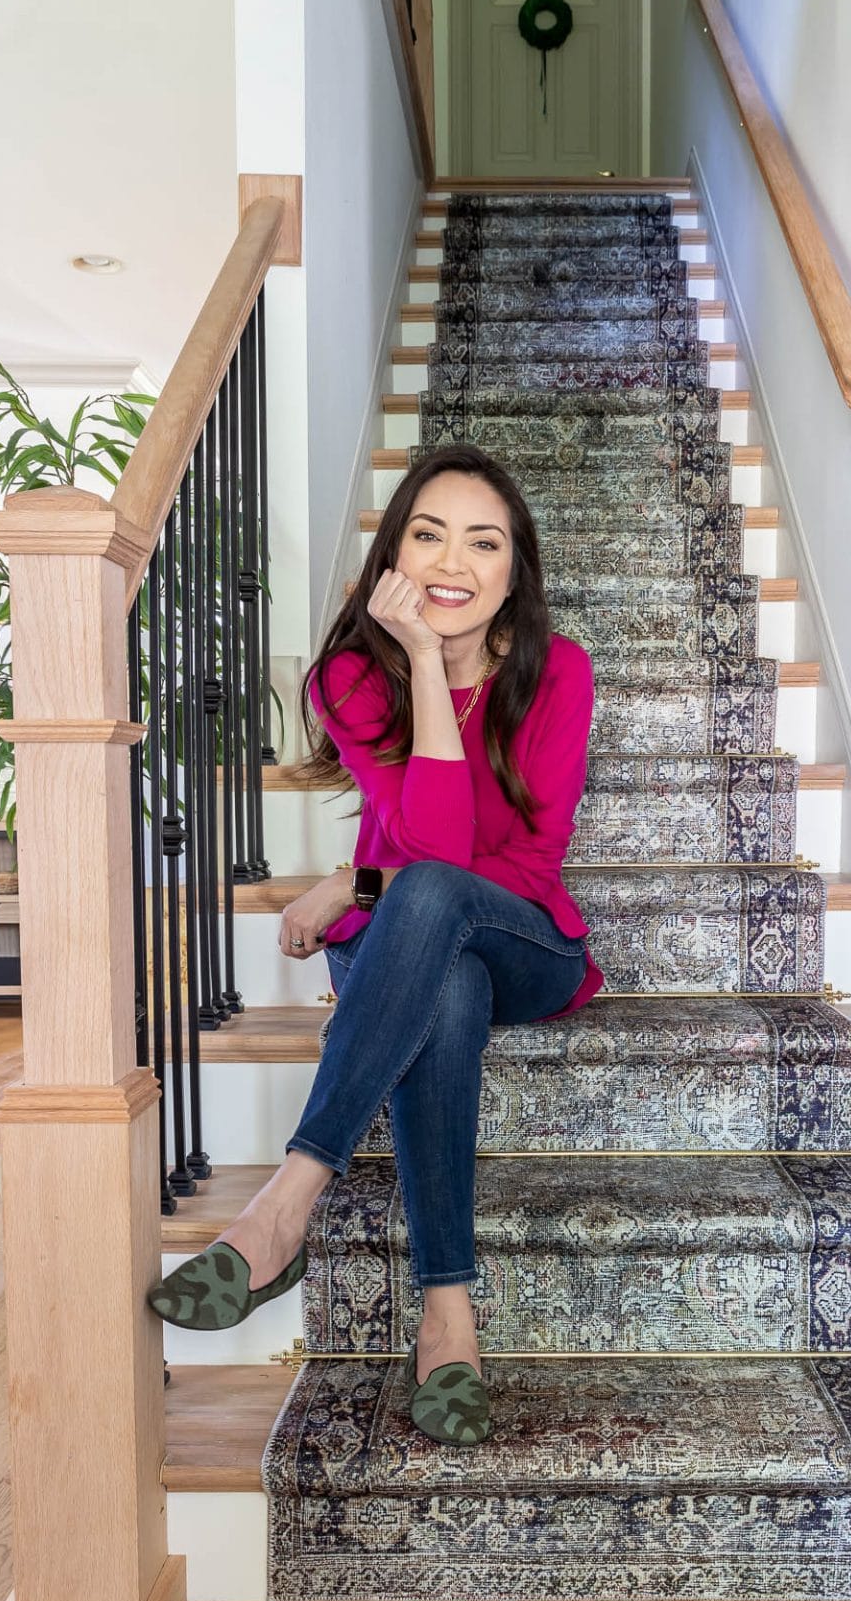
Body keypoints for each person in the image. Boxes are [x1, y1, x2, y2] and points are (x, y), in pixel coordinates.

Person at [148, 445, 603, 1446]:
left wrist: (358, 879)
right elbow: (438, 854)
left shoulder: (558, 672)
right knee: (440, 994)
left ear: (514, 572)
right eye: (428, 532)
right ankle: (449, 1314)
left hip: (531, 943)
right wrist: (426, 665)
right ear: (394, 550)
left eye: (484, 542)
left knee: (441, 902)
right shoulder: (351, 677)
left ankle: (286, 1203)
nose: (454, 560)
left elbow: (506, 867)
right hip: (406, 950)